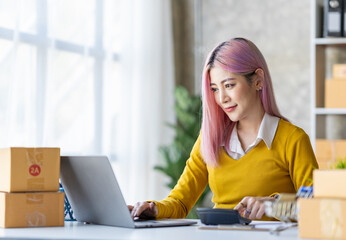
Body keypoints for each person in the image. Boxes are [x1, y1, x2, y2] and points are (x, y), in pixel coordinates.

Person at [128, 37, 318, 220]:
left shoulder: (293, 139)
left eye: (229, 85)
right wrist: (153, 209)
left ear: (258, 80)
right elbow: (180, 202)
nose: (221, 98)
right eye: (215, 89)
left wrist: (273, 204)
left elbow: (316, 206)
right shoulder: (210, 138)